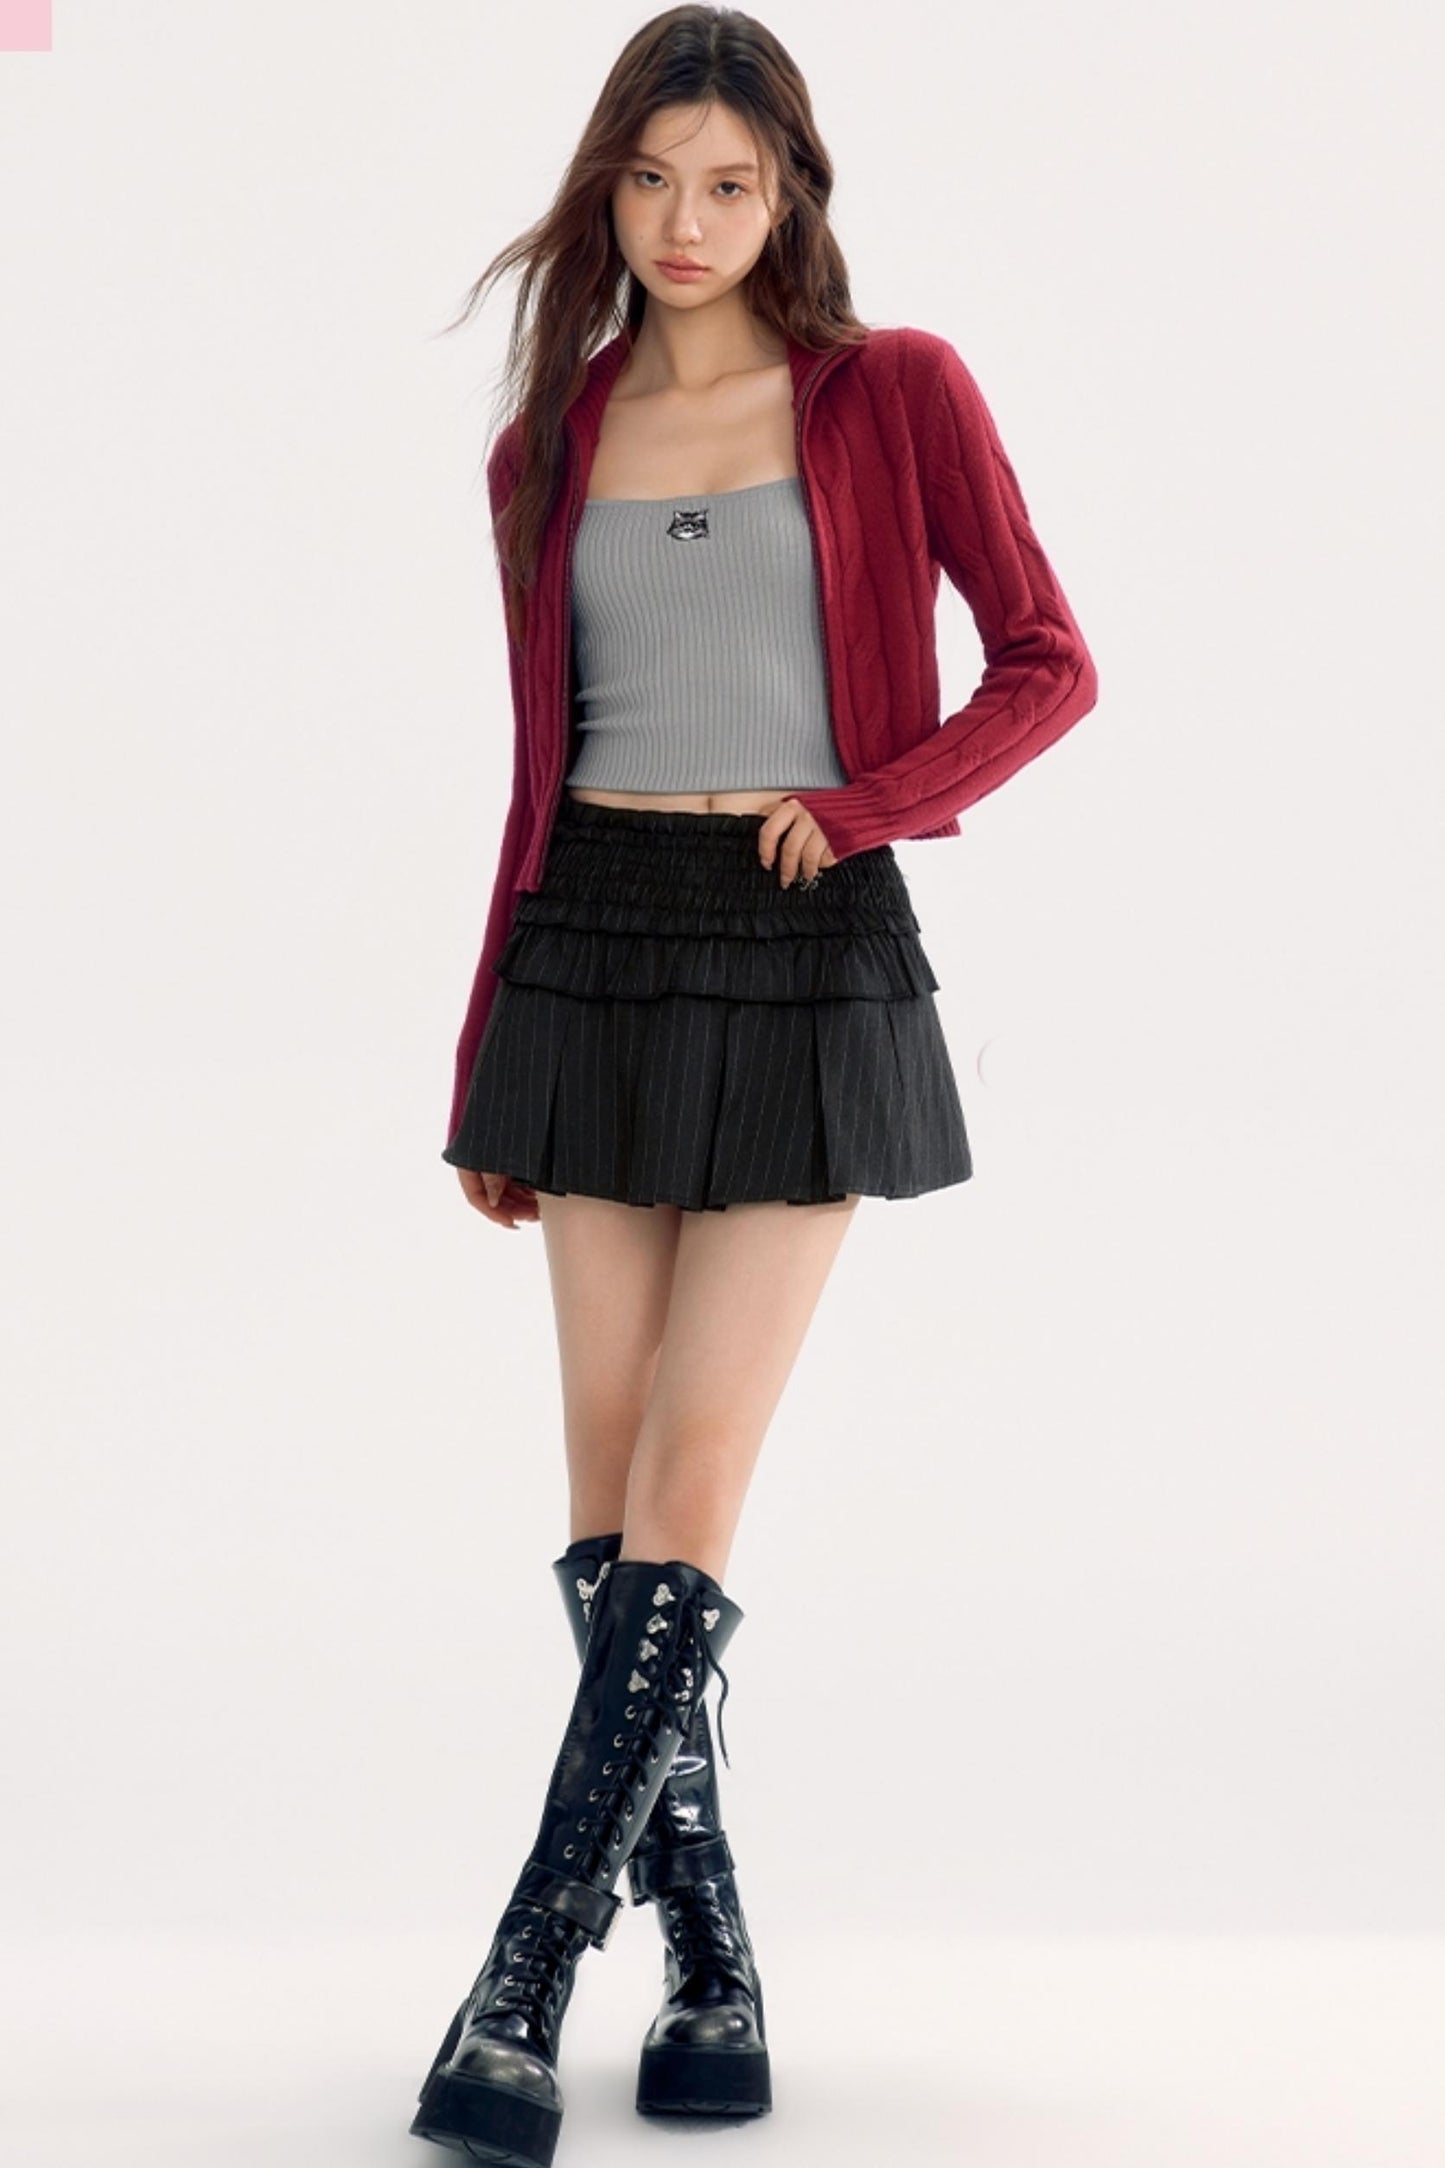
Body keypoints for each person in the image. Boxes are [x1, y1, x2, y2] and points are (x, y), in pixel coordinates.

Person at [412, 8, 1098, 2162]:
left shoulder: (895, 390)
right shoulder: (549, 443)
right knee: (607, 1493)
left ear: (792, 187)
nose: (685, 221)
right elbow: (533, 776)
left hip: (804, 947)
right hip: (591, 945)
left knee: (692, 1482)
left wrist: (870, 800)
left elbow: (1049, 659)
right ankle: (711, 1962)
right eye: (649, 179)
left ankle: (521, 1977)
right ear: (603, 189)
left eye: (727, 180)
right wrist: (484, 1056)